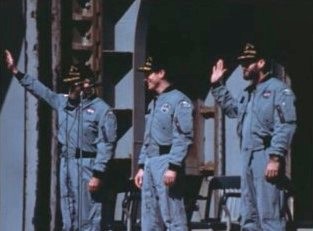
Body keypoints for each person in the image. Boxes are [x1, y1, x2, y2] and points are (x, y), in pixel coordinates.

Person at [4, 50, 117, 231]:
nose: (71, 89)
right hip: (67, 163)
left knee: (87, 216)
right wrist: (16, 72)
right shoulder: (63, 102)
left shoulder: (102, 111)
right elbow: (41, 91)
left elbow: (106, 144)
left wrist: (98, 173)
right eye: (70, 85)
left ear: (87, 84)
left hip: (87, 164)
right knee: (68, 213)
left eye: (76, 85)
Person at [210, 43, 297, 231]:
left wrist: (275, 157)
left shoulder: (279, 90)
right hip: (247, 157)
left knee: (269, 217)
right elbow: (233, 110)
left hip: (265, 156)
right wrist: (217, 86)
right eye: (242, 63)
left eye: (248, 63)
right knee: (249, 217)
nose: (243, 67)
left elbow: (285, 125)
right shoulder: (247, 93)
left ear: (261, 62)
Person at [134, 56, 194, 231]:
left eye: (149, 74)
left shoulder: (179, 101)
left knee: (173, 216)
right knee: (150, 218)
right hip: (151, 161)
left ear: (161, 73)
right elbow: (148, 138)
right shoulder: (154, 102)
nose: (146, 79)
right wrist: (142, 165)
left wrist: (173, 166)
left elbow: (183, 137)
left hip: (166, 161)